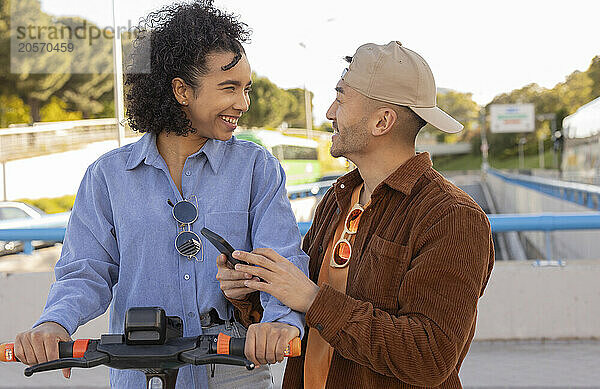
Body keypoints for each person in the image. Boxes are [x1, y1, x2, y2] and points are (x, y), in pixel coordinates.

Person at [13, 2, 308, 388]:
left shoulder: (257, 168)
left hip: (234, 374)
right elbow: (85, 271)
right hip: (138, 377)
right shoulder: (107, 176)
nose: (243, 103)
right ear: (182, 90)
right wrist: (54, 323)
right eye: (229, 88)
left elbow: (282, 259)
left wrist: (278, 324)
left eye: (246, 89)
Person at [220, 41, 495, 388]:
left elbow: (430, 356)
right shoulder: (338, 200)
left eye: (341, 98)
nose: (330, 112)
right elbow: (308, 321)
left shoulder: (452, 217)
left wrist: (312, 297)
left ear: (382, 121)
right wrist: (249, 294)